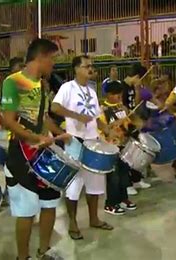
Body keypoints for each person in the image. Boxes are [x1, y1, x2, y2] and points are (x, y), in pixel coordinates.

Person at [1, 38, 70, 260]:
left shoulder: (43, 85)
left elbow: (43, 118)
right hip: (20, 154)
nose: (54, 64)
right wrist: (34, 137)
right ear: (41, 57)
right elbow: (8, 121)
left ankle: (44, 250)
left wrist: (59, 133)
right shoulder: (13, 82)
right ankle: (23, 257)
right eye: (53, 59)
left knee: (50, 202)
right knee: (26, 211)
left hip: (42, 153)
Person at [51, 55, 114, 241]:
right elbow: (54, 107)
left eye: (91, 66)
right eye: (87, 66)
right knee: (74, 185)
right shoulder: (67, 88)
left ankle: (94, 218)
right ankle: (73, 222)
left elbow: (95, 116)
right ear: (76, 69)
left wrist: (106, 129)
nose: (90, 69)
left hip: (93, 141)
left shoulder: (92, 91)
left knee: (95, 183)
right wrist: (76, 116)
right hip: (76, 142)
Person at [98, 81, 139, 215]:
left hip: (123, 146)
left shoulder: (121, 107)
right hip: (111, 147)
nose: (119, 98)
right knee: (113, 177)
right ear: (109, 95)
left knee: (124, 174)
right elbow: (101, 128)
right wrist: (116, 123)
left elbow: (128, 124)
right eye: (116, 95)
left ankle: (124, 198)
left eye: (120, 95)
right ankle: (110, 203)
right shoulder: (102, 110)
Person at [121, 63, 152, 195]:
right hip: (124, 124)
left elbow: (136, 103)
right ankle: (126, 184)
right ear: (137, 76)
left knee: (136, 152)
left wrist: (138, 89)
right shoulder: (121, 87)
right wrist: (133, 119)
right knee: (126, 155)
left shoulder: (134, 87)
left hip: (133, 122)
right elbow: (122, 107)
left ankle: (136, 179)